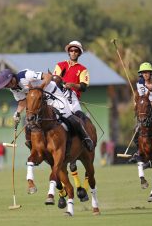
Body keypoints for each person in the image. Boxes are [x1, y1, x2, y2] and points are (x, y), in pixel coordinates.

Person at [0, 68, 93, 152]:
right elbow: (22, 101)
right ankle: (35, 146)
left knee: (67, 116)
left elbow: (48, 76)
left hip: (54, 95)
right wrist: (17, 113)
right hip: (40, 101)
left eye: (7, 83)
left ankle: (85, 137)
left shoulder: (26, 75)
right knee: (32, 121)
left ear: (11, 77)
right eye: (5, 86)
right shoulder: (14, 89)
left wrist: (41, 89)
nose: (8, 86)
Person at [53, 41, 92, 201]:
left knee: (78, 118)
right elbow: (54, 80)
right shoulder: (60, 65)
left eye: (76, 50)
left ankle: (85, 140)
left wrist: (72, 85)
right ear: (68, 52)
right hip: (58, 97)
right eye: (71, 50)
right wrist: (59, 81)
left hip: (73, 97)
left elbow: (83, 86)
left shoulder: (82, 69)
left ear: (79, 53)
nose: (73, 52)